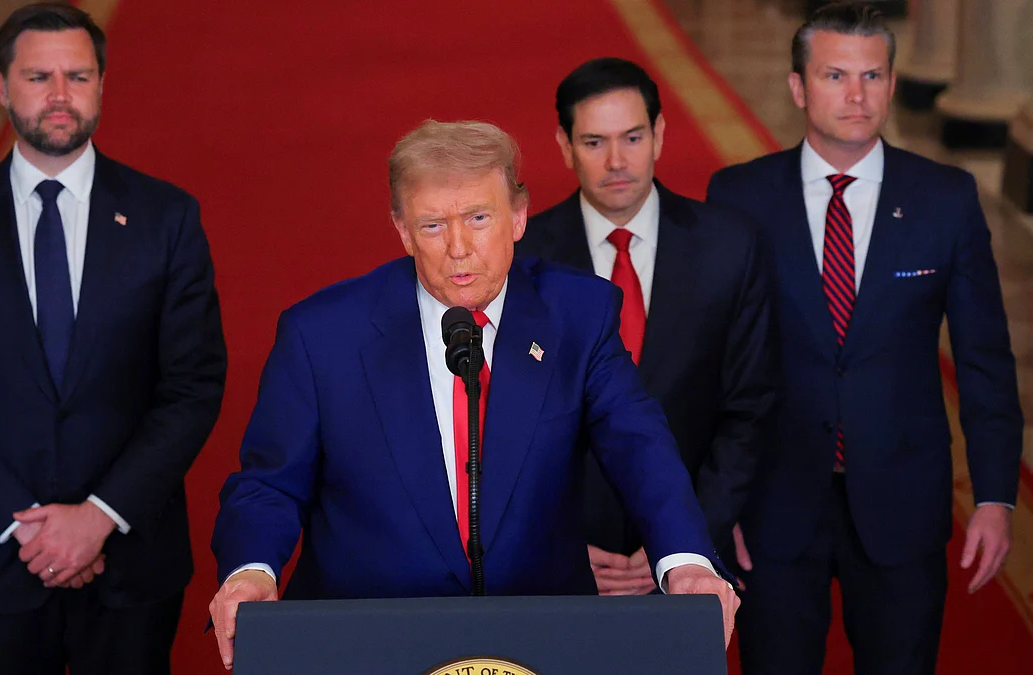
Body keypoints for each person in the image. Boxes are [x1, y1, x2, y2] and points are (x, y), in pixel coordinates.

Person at [208, 120, 739, 670]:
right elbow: (269, 484)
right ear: (403, 231)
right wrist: (249, 572)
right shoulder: (322, 334)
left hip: (541, 640)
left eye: (479, 218)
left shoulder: (579, 315)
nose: (459, 248)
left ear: (518, 216)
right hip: (366, 640)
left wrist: (686, 560)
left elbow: (640, 447)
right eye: (433, 225)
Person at [0, 4, 227, 674]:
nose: (58, 96)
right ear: (0, 85)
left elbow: (191, 387)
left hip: (133, 561)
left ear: (101, 83)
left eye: (77, 76)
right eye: (38, 75)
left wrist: (99, 516)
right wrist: (29, 529)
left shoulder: (168, 218)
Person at [705, 3, 1023, 674]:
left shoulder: (947, 198)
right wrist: (716, 502)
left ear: (891, 82)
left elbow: (985, 359)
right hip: (773, 506)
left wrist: (994, 495)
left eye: (872, 76)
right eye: (835, 75)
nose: (857, 95)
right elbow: (714, 362)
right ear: (798, 87)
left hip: (903, 502)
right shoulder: (738, 197)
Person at [516, 57, 773, 595]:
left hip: (693, 563)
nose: (616, 161)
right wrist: (555, 544)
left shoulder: (729, 246)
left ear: (658, 134)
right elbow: (504, 423)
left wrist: (685, 543)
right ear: (563, 146)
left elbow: (748, 410)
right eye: (593, 142)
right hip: (564, 563)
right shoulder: (522, 260)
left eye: (632, 137)